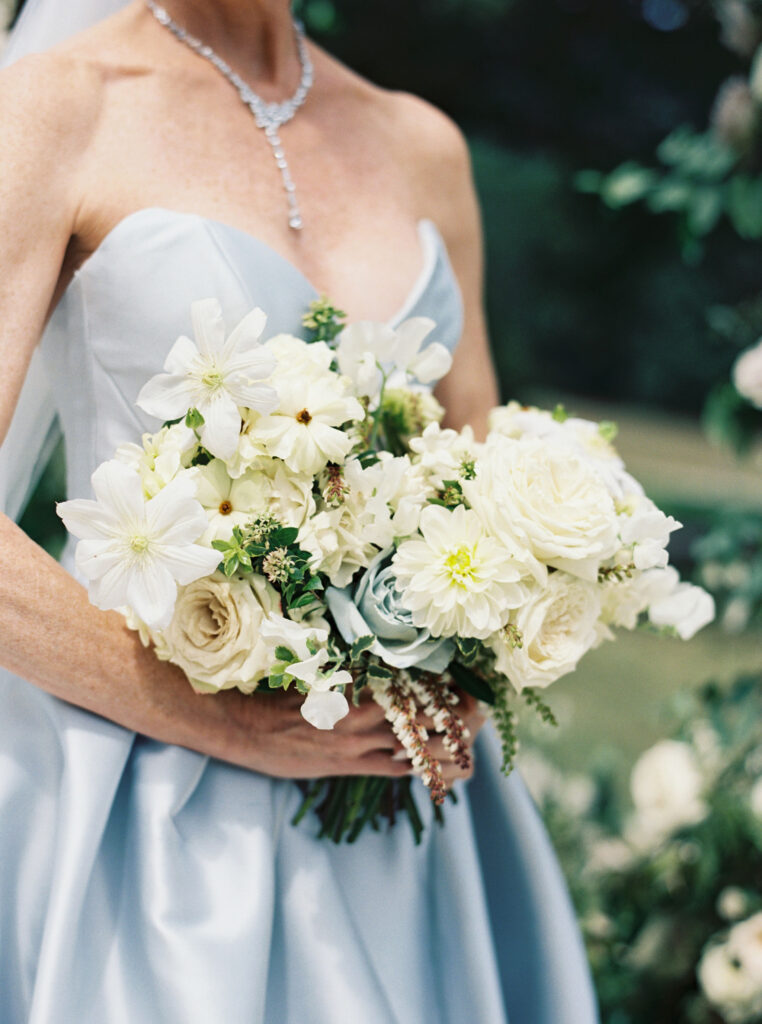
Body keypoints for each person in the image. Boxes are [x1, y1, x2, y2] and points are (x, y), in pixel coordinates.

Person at [0, 2, 599, 1021]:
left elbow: (481, 470)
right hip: (142, 822)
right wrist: (227, 719)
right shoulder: (57, 107)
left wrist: (485, 645)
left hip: (399, 816)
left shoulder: (424, 144)